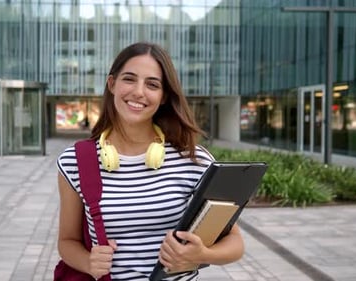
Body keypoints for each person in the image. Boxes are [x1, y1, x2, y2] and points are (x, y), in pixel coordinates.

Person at [56, 42, 244, 280]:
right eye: (129, 79)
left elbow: (235, 242)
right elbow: (67, 241)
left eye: (152, 84)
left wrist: (203, 253)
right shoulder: (74, 162)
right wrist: (88, 261)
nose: (139, 92)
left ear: (163, 96)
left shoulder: (195, 161)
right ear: (112, 84)